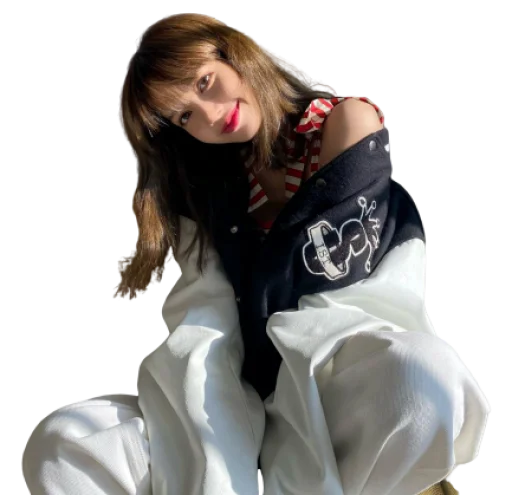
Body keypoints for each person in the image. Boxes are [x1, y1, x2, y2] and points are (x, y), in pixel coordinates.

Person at [23, 12, 489, 495]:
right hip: (239, 399)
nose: (208, 115)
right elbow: (204, 332)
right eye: (184, 116)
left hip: (340, 379)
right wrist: (221, 462)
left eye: (204, 82)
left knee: (422, 380)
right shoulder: (217, 191)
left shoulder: (343, 124)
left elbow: (338, 299)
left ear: (233, 54)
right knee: (63, 442)